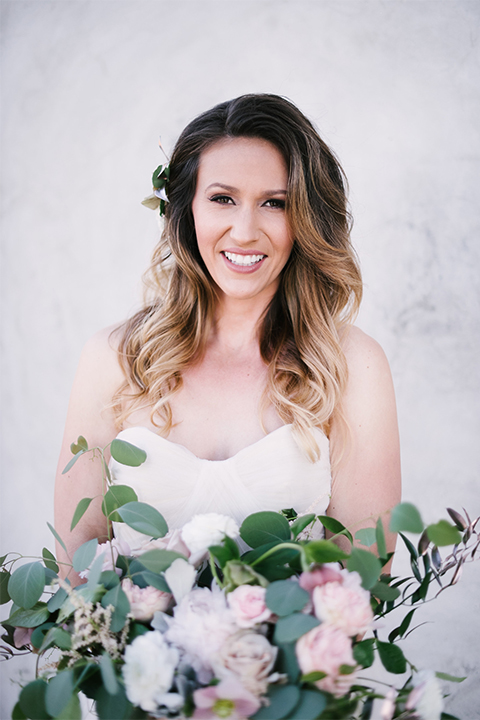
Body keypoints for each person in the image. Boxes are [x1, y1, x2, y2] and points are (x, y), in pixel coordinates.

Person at [54, 94, 400, 581]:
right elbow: (74, 567)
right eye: (223, 199)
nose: (244, 231)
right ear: (186, 209)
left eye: (274, 204)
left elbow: (365, 580)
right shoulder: (113, 359)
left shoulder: (351, 364)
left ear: (304, 219)